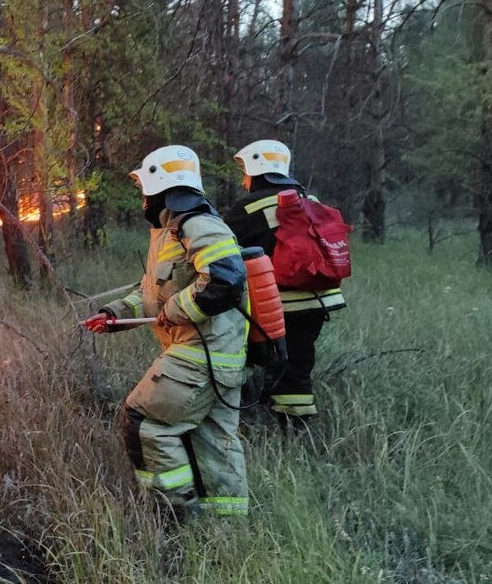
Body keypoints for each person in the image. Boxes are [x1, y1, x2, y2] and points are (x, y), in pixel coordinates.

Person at [85, 145, 249, 519]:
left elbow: (225, 280)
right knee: (211, 441)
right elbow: (152, 290)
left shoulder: (198, 224)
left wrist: (173, 312)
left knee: (143, 420)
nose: (143, 199)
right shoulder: (172, 231)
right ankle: (225, 528)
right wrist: (113, 314)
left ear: (161, 185)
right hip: (212, 355)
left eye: (146, 190)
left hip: (200, 354)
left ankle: (173, 514)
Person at [224, 140, 345, 420]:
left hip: (278, 305)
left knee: (251, 359)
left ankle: (256, 420)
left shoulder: (249, 208)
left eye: (246, 173)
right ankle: (294, 426)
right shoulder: (308, 200)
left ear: (256, 169)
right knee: (297, 366)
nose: (244, 182)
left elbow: (222, 249)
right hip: (319, 301)